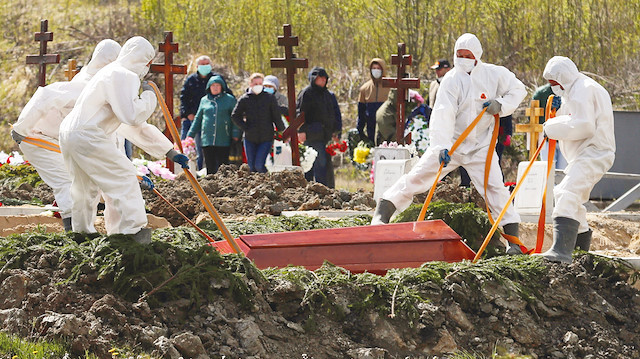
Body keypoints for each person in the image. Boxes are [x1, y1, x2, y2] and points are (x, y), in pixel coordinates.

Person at [372, 33, 527, 255]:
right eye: (459, 55)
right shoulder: (451, 80)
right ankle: (383, 211)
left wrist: (500, 104)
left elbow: (519, 89)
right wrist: (442, 146)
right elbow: (443, 114)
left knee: (495, 188)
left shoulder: (495, 74)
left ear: (478, 55)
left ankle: (513, 241)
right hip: (451, 145)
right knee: (419, 176)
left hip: (480, 147)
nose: (463, 59)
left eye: (468, 55)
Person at [58, 36, 189, 242]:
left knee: (84, 187)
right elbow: (132, 116)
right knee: (124, 176)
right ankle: (131, 233)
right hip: (87, 134)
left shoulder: (108, 74)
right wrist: (149, 97)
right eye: (147, 62)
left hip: (69, 133)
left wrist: (168, 151)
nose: (146, 68)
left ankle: (82, 234)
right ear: (142, 59)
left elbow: (131, 126)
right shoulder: (123, 75)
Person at [11, 39, 122, 232]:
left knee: (87, 186)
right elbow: (45, 95)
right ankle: (74, 232)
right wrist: (21, 129)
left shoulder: (105, 90)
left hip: (62, 141)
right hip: (38, 138)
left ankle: (83, 230)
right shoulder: (86, 86)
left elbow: (110, 136)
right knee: (66, 182)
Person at [534, 56, 615, 263]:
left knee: (566, 193)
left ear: (563, 77)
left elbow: (584, 125)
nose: (554, 88)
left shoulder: (583, 89)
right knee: (574, 202)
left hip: (594, 152)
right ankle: (580, 254)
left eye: (555, 83)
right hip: (585, 154)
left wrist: (550, 127)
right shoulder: (576, 90)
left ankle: (561, 252)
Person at [179, 55, 232, 170]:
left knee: (206, 151)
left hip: (213, 121)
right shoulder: (191, 80)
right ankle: (192, 172)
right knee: (191, 148)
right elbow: (184, 98)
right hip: (194, 119)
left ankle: (206, 172)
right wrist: (187, 113)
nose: (205, 66)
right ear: (197, 66)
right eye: (202, 64)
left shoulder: (217, 79)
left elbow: (228, 96)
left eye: (207, 64)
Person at [297, 67, 342, 187]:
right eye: (319, 78)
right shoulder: (306, 93)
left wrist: (336, 132)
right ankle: (312, 190)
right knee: (313, 164)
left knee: (324, 165)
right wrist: (301, 131)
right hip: (311, 134)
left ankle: (325, 190)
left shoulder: (328, 95)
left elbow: (335, 114)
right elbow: (299, 113)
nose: (322, 81)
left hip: (325, 135)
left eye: (324, 79)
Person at [231, 73, 285, 173]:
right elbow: (235, 115)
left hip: (266, 137)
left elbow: (276, 116)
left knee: (259, 165)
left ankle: (268, 180)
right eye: (255, 83)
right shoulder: (245, 99)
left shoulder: (269, 98)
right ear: (250, 84)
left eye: (260, 83)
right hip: (250, 138)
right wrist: (245, 127)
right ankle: (257, 186)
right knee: (251, 167)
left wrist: (282, 131)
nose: (258, 85)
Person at [186, 75, 240, 175]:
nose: (215, 87)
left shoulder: (229, 99)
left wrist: (235, 134)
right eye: (213, 85)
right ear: (209, 87)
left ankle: (224, 185)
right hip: (207, 139)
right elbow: (198, 118)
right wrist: (190, 135)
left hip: (223, 138)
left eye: (217, 85)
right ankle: (210, 185)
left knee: (223, 166)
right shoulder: (204, 100)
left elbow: (235, 118)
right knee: (209, 166)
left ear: (222, 86)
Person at [533, 83, 567, 169]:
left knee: (563, 171)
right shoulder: (541, 93)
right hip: (546, 139)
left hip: (565, 138)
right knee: (548, 169)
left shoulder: (569, 90)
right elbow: (533, 117)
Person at [357, 59, 390, 143]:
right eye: (374, 68)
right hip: (371, 129)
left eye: (378, 68)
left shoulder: (391, 86)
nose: (376, 71)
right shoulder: (365, 89)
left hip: (388, 129)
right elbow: (361, 112)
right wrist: (360, 130)